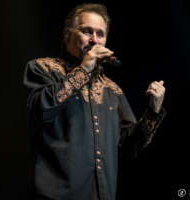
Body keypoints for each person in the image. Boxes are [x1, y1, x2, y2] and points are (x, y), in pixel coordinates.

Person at [23, 3, 166, 200]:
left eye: (100, 34)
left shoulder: (112, 90)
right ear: (67, 35)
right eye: (86, 31)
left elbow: (128, 148)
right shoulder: (42, 68)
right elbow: (43, 110)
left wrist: (153, 110)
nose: (94, 40)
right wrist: (84, 68)